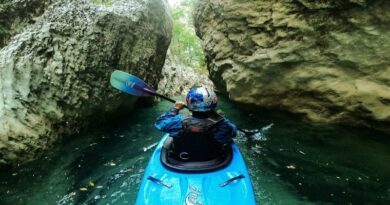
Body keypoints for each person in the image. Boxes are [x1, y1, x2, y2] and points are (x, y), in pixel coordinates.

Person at [155, 86, 237, 161]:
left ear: (189, 102)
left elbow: (159, 123)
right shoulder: (223, 123)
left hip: (182, 159)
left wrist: (175, 109)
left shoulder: (178, 121)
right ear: (214, 102)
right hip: (212, 160)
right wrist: (220, 118)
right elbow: (233, 132)